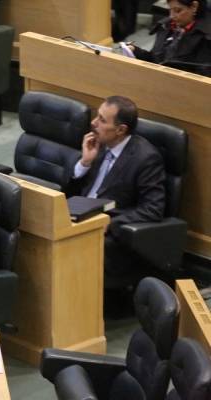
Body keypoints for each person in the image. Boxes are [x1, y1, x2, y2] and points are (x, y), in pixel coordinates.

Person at [70, 96, 166, 278]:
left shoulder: (145, 159)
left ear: (121, 130)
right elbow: (70, 190)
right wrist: (84, 163)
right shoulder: (97, 144)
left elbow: (153, 209)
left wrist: (112, 223)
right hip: (76, 219)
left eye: (102, 120)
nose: (93, 123)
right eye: (97, 116)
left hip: (110, 235)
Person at [130, 0, 211, 76]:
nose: (171, 16)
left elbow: (202, 75)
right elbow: (156, 59)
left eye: (178, 10)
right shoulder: (166, 26)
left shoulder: (206, 38)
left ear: (194, 6)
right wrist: (135, 51)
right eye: (170, 10)